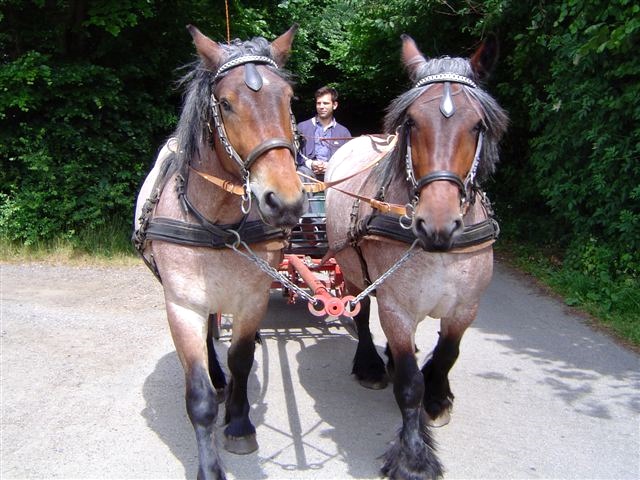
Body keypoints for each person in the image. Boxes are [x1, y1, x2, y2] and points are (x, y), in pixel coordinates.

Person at [296, 86, 351, 180]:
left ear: (334, 105)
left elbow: (349, 158)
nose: (321, 107)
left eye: (325, 103)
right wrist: (311, 164)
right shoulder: (302, 127)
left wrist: (330, 166)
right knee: (301, 173)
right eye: (319, 103)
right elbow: (295, 153)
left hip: (335, 174)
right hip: (306, 174)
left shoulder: (343, 132)